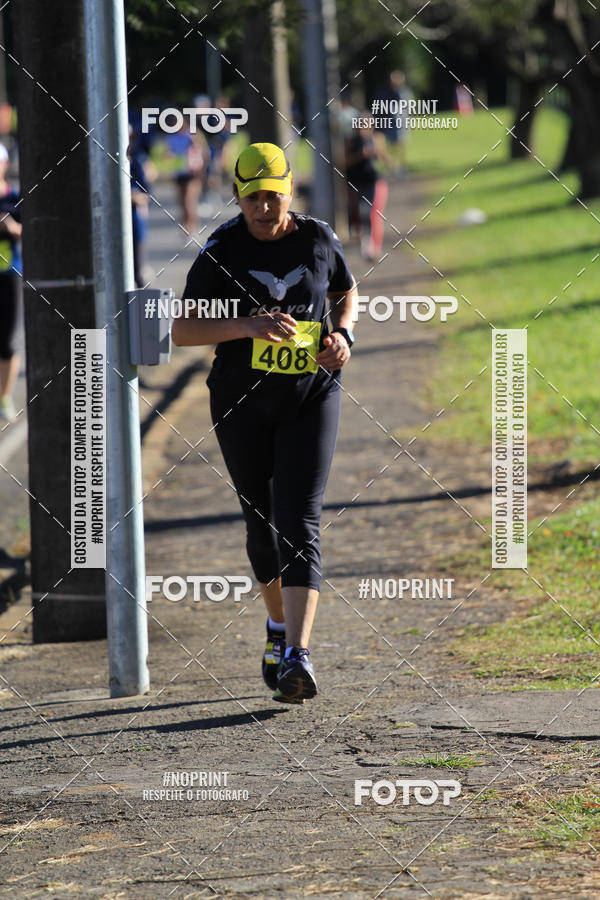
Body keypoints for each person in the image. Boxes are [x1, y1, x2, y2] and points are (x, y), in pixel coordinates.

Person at [172, 142, 357, 704]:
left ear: (289, 192)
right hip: (240, 402)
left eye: (272, 196)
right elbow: (183, 331)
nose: (263, 207)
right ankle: (277, 626)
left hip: (311, 394)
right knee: (261, 525)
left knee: (298, 517)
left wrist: (344, 335)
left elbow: (346, 291)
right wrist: (248, 326)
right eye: (252, 197)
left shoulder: (318, 239)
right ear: (237, 196)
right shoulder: (221, 250)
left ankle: (298, 654)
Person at [345, 118, 390, 260]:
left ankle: (375, 248)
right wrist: (360, 155)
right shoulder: (352, 141)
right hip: (356, 182)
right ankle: (365, 245)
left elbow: (387, 161)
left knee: (374, 215)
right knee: (359, 214)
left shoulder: (377, 138)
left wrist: (378, 152)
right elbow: (344, 162)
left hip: (375, 181)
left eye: (366, 125)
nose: (363, 128)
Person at [0, 143, 22, 423]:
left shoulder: (15, 199)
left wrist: (12, 227)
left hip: (8, 275)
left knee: (7, 341)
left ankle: (4, 397)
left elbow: (33, 232)